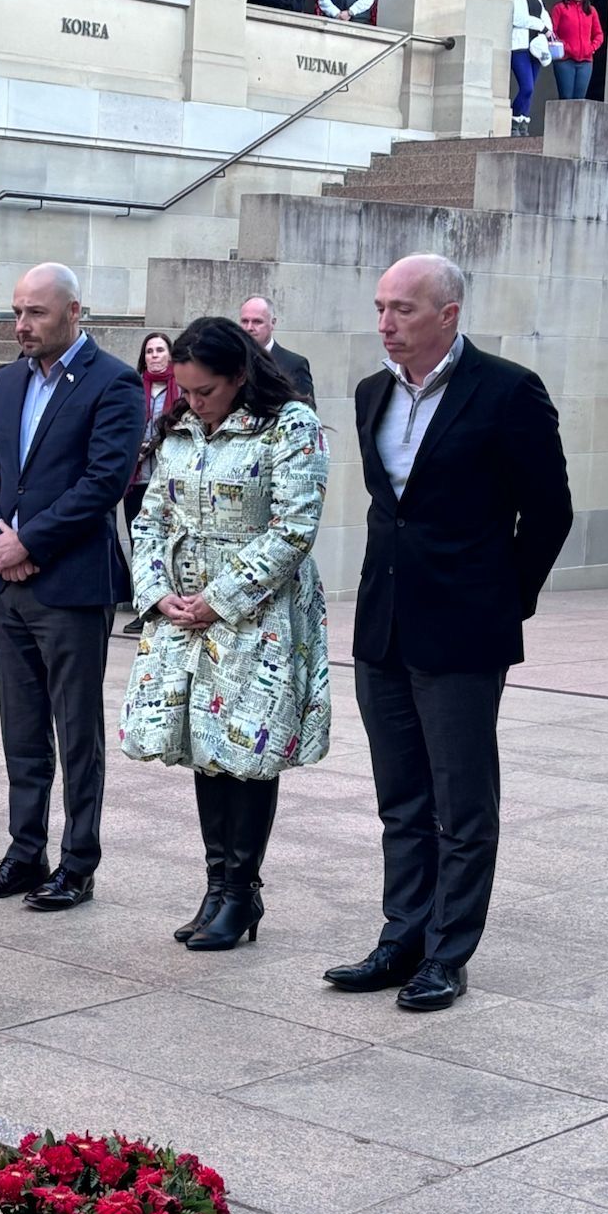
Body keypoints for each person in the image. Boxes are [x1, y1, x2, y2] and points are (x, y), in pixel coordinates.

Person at [325, 253, 572, 1011]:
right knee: (400, 797)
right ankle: (402, 936)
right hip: (383, 627)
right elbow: (388, 512)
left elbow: (550, 512)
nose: (385, 324)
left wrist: (505, 600)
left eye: (402, 309)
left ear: (448, 315)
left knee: (462, 804)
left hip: (465, 631)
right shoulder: (372, 392)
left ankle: (448, 952)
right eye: (379, 307)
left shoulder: (506, 391)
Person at [123, 320, 330, 949]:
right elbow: (151, 516)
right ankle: (216, 888)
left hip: (255, 614)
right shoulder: (181, 429)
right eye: (184, 391)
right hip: (184, 613)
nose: (192, 401)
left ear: (240, 376)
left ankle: (241, 892)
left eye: (205, 390)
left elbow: (295, 526)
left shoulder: (290, 426)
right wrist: (159, 595)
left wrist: (220, 599)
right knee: (202, 744)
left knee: (247, 751)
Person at [0, 263, 143, 911]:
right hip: (9, 586)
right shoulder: (6, 380)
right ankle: (23, 852)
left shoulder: (115, 384)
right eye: (16, 311)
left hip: (70, 585)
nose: (21, 325)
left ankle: (78, 863)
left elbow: (104, 482)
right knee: (21, 727)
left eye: (35, 313)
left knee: (76, 731)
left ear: (74, 312)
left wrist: (29, 541)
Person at [120, 331, 175, 636]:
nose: (154, 356)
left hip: (166, 481)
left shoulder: (180, 388)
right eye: (150, 351)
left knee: (165, 544)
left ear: (170, 354)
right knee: (140, 543)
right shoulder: (133, 387)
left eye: (160, 350)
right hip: (137, 479)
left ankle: (165, 604)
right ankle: (143, 605)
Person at [238, 296, 314, 404]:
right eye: (244, 321)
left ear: (272, 323)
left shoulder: (294, 364)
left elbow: (307, 411)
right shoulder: (230, 360)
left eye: (257, 321)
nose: (249, 327)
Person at [510, 0, 554, 136]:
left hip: (536, 46)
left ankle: (523, 123)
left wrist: (548, 30)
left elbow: (545, 15)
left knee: (531, 89)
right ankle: (514, 118)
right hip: (520, 46)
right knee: (526, 86)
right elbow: (519, 18)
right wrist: (542, 27)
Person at [550, 0, 604, 101]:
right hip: (565, 60)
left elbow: (599, 34)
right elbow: (552, 33)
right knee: (566, 98)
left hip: (585, 62)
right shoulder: (560, 8)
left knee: (579, 100)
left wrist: (591, 48)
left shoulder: (591, 11)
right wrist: (565, 46)